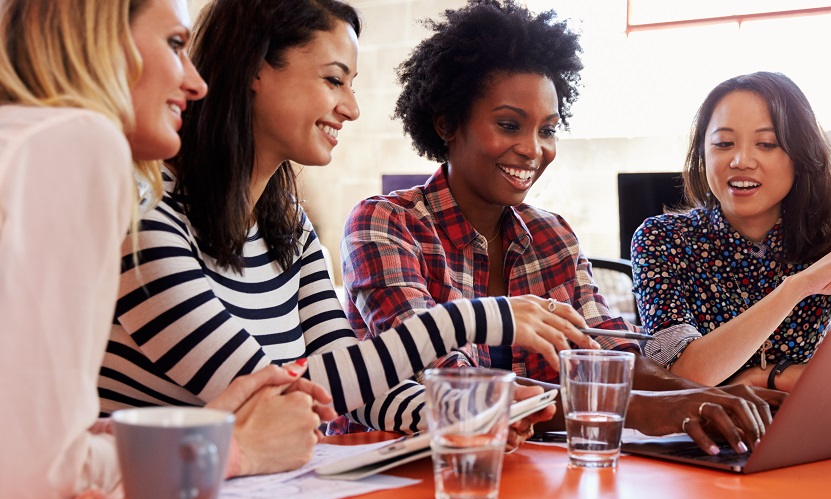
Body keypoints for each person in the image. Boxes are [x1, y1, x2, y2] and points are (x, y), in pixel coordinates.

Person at [99, 0, 585, 456]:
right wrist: (480, 317)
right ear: (254, 69)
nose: (351, 108)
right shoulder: (144, 212)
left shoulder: (288, 226)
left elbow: (354, 389)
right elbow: (266, 393)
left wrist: (468, 410)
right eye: (334, 81)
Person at [342, 0, 783, 456]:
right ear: (447, 122)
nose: (533, 150)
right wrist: (644, 410)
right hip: (402, 477)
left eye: (548, 130)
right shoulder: (386, 225)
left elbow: (608, 353)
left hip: (527, 476)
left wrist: (699, 397)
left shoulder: (552, 237)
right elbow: (451, 386)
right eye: (509, 124)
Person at [0, 0, 341, 499]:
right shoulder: (76, 144)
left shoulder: (28, 138)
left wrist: (169, 434)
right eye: (176, 45)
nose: (196, 82)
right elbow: (36, 476)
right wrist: (229, 448)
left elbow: (35, 436)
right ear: (101, 40)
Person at [630, 71, 831, 392]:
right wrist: (796, 288)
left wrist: (770, 376)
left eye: (767, 143)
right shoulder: (662, 239)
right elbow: (678, 376)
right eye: (723, 143)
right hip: (704, 434)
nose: (741, 160)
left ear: (800, 155)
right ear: (703, 153)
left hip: (808, 428)